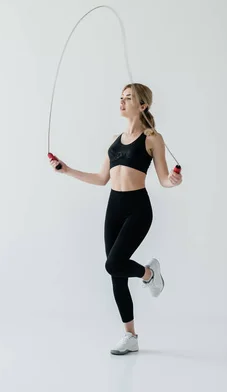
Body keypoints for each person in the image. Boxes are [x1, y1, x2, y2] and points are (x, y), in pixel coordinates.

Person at [48, 83, 183, 355]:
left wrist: (174, 180)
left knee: (113, 264)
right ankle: (130, 336)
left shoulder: (152, 138)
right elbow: (101, 179)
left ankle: (149, 273)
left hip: (138, 208)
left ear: (142, 105)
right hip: (114, 207)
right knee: (116, 274)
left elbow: (163, 179)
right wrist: (66, 170)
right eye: (120, 97)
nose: (121, 101)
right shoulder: (115, 140)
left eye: (128, 98)